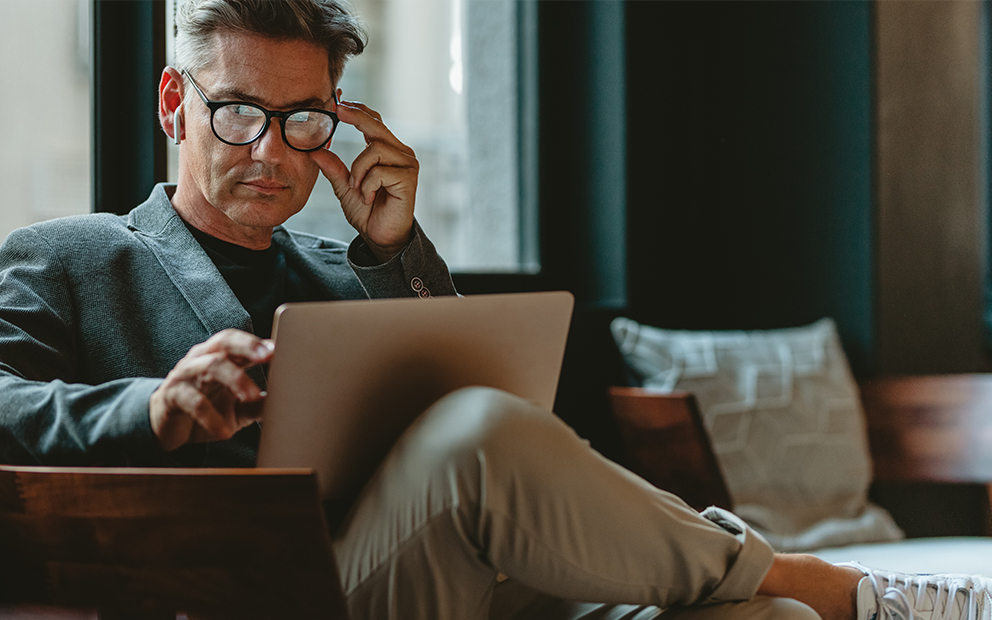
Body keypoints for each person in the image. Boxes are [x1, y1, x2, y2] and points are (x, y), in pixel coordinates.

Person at [0, 1, 987, 619]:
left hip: (452, 574)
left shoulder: (344, 275)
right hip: (263, 592)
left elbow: (492, 403)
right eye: (235, 113)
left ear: (337, 118)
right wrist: (150, 407)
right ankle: (822, 575)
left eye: (302, 120)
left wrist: (394, 245)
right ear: (174, 102)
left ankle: (790, 592)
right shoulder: (71, 255)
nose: (268, 151)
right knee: (477, 435)